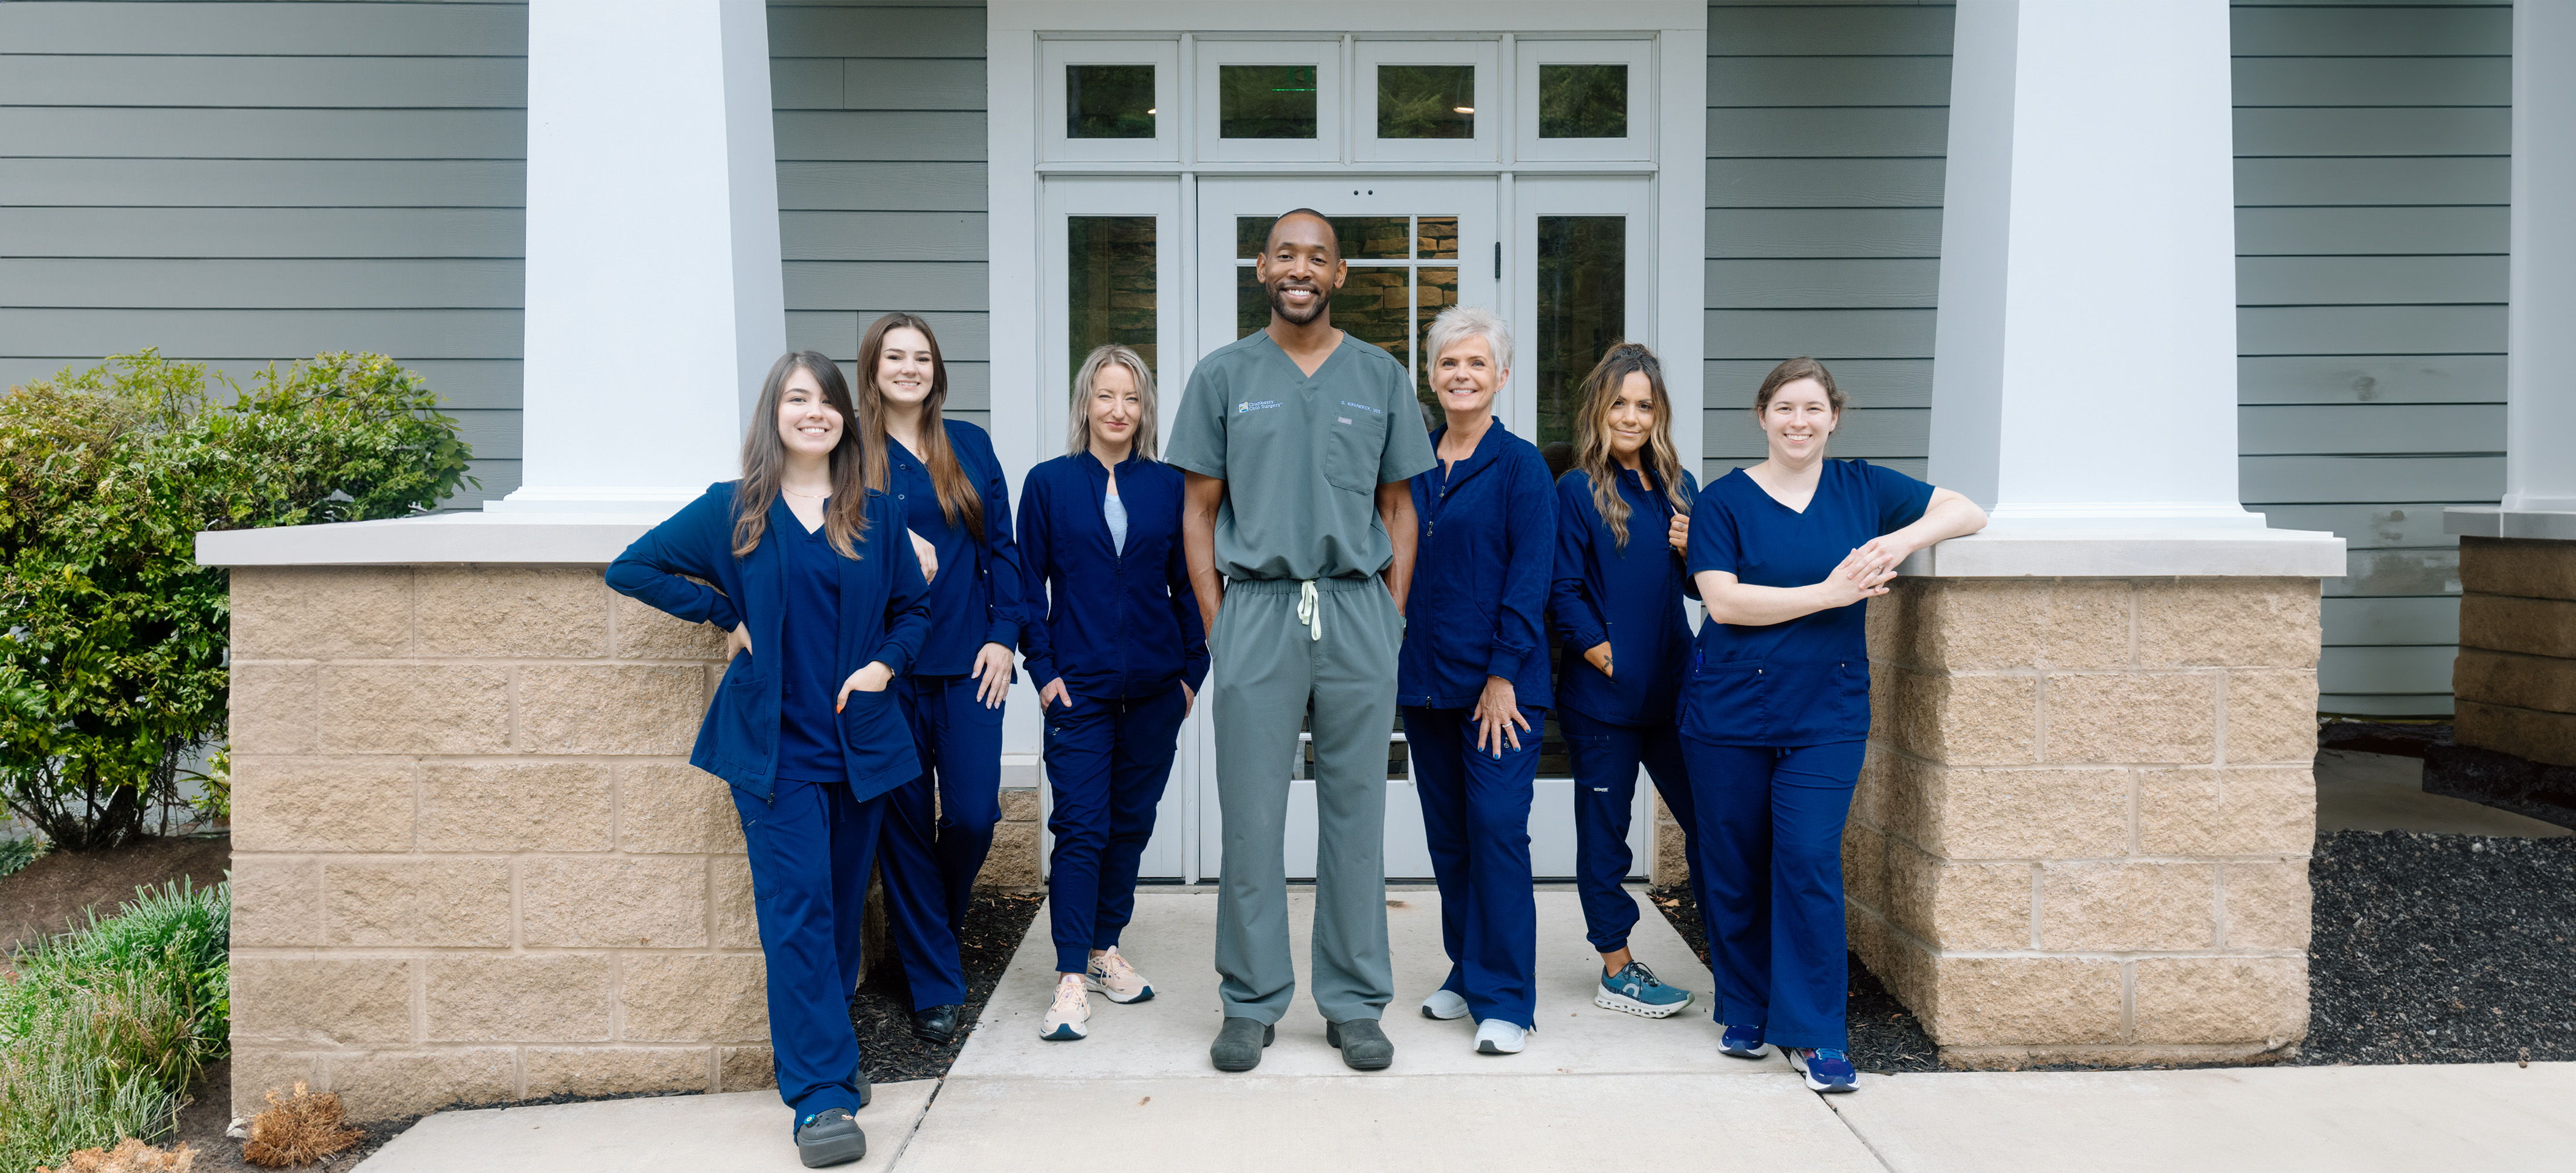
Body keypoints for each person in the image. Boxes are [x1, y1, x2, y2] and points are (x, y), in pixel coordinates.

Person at [605, 351, 930, 1168]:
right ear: (774, 414)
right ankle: (820, 1099)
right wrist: (723, 613)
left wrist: (883, 664)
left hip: (858, 754)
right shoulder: (735, 511)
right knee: (798, 918)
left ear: (844, 421)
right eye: (797, 400)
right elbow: (632, 567)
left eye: (826, 402)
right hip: (775, 755)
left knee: (841, 914)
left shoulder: (877, 515)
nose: (815, 413)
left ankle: (829, 1057)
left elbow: (915, 609)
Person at [1166, 208, 1438, 1073]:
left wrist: (1390, 617)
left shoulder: (1380, 375)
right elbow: (1199, 512)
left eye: (1317, 257)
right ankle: (1249, 1001)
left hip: (1357, 611)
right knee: (1251, 815)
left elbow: (1400, 507)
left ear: (1341, 275)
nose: (1301, 268)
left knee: (1355, 815)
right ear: (1261, 267)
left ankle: (1355, 1001)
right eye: (1286, 253)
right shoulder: (1224, 375)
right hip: (1258, 610)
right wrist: (1220, 624)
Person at [1682, 357, 1987, 1093]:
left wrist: (1899, 542)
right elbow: (1723, 603)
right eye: (1785, 407)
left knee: (1809, 860)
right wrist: (1830, 591)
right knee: (1735, 868)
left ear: (1834, 418)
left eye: (1813, 408)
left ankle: (1818, 1032)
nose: (1798, 421)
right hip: (1728, 712)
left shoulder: (1863, 487)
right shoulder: (1724, 501)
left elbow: (1967, 510)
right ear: (1762, 416)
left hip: (1828, 714)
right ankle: (1746, 1009)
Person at [1018, 344, 1208, 1042]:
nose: (1118, 410)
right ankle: (1070, 976)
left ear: (1145, 408)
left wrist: (1193, 671)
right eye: (1106, 396)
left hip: (1158, 689)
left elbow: (1191, 585)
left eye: (1131, 397)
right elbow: (1024, 587)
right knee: (1081, 825)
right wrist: (1043, 672)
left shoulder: (1171, 486)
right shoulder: (1048, 484)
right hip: (1079, 692)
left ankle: (1103, 949)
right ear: (1085, 404)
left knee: (1130, 823)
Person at [855, 311, 1027, 1046]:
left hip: (967, 662)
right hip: (886, 669)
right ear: (872, 367)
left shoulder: (971, 445)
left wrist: (1004, 636)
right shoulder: (850, 453)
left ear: (937, 370)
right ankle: (935, 980)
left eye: (920, 356)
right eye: (894, 356)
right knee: (900, 826)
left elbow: (1006, 550)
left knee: (971, 816)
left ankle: (930, 935)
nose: (908, 368)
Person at [1395, 306, 1554, 1056]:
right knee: (1450, 838)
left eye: (1477, 364)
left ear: (1502, 376)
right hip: (1425, 683)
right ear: (1432, 375)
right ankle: (1467, 966)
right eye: (1449, 363)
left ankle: (1508, 1000)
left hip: (1502, 691)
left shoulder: (1522, 467)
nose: (1462, 375)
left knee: (1496, 832)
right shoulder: (1413, 461)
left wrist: (1502, 674)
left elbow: (1529, 581)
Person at [1548, 342, 1710, 1021]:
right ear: (1599, 407)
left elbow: (1700, 589)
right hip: (1605, 700)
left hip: (1676, 693)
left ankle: (1732, 952)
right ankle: (1616, 965)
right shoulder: (1577, 488)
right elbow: (1560, 588)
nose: (1633, 416)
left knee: (1711, 818)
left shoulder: (1679, 486)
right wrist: (1599, 649)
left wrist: (1689, 547)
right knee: (1606, 833)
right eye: (1621, 402)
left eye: (1645, 405)